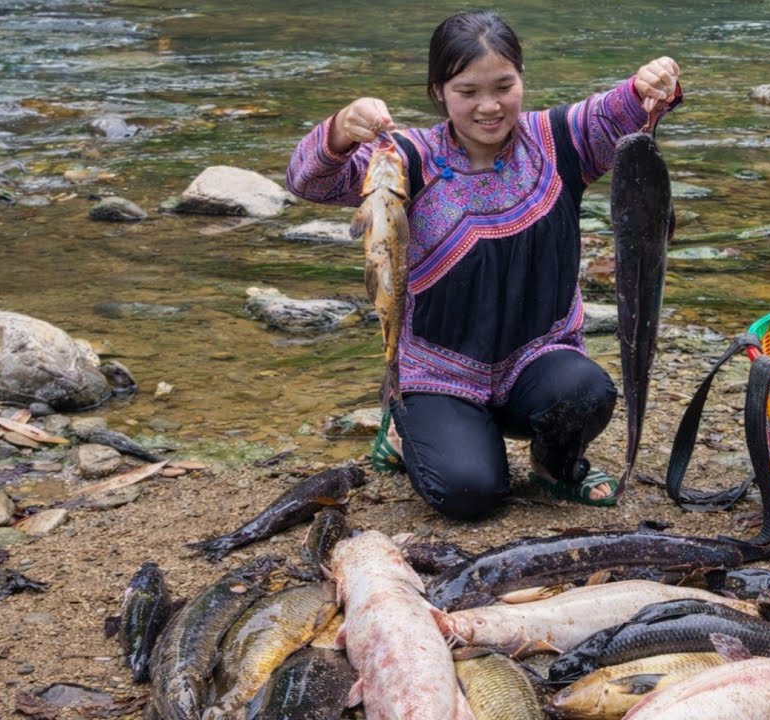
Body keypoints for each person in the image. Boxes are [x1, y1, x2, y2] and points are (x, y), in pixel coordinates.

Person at [286, 10, 681, 520]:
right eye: (467, 91)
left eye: (504, 86)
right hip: (438, 373)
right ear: (439, 91)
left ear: (522, 80)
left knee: (587, 392)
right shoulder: (403, 160)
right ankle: (408, 435)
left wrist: (652, 81)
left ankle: (553, 466)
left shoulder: (561, 140)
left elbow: (624, 109)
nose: (489, 106)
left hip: (534, 362)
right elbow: (308, 181)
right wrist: (340, 130)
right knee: (470, 495)